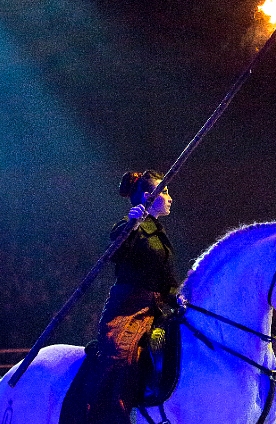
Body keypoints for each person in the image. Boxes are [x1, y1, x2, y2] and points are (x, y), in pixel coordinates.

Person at [89, 170, 180, 423]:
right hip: (129, 307)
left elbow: (165, 277)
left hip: (156, 308)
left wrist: (176, 297)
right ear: (149, 195)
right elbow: (115, 253)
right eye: (164, 191)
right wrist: (132, 225)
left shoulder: (159, 233)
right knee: (121, 358)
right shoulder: (128, 226)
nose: (170, 197)